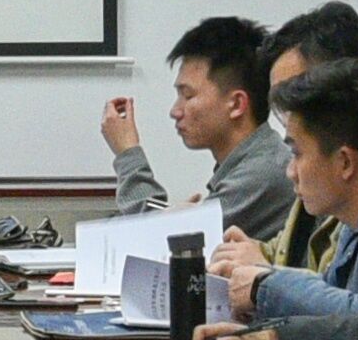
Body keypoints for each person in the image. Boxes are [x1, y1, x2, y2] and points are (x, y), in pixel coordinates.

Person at [214, 65, 358, 340]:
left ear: (345, 162)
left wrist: (262, 287)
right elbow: (333, 297)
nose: (290, 171)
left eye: (297, 153)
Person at [101, 15, 289, 242]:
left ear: (236, 104)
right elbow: (163, 223)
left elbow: (160, 239)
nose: (175, 111)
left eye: (188, 96)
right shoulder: (252, 160)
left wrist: (127, 153)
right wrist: (173, 215)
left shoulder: (261, 173)